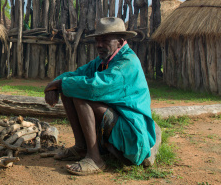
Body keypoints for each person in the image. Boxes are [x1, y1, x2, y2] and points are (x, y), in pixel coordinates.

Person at [44, 17, 157, 176]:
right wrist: (55, 84)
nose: (99, 45)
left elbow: (95, 87)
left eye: (104, 40)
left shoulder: (127, 62)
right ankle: (82, 148)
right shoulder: (105, 60)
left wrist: (59, 84)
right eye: (97, 40)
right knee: (71, 88)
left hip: (133, 137)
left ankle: (95, 159)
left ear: (120, 41)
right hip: (120, 126)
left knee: (80, 93)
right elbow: (78, 74)